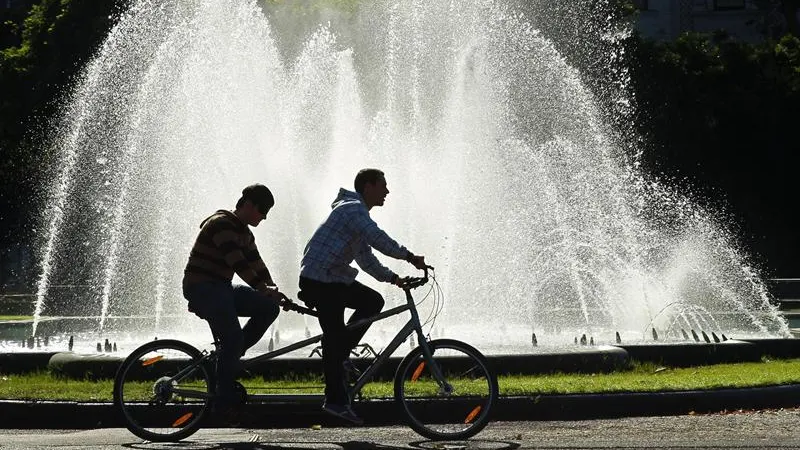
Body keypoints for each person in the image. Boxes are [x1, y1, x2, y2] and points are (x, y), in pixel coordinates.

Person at [299, 168, 427, 424]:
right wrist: (409, 257)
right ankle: (335, 401)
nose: (387, 191)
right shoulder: (352, 209)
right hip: (320, 281)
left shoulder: (354, 212)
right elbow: (377, 238)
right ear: (368, 187)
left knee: (373, 301)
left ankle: (341, 354)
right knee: (334, 340)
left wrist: (393, 278)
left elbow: (366, 258)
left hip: (330, 278)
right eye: (383, 186)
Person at [182, 183, 286, 416]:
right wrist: (261, 287)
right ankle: (223, 397)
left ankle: (229, 359)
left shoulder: (244, 233)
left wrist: (272, 290)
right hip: (203, 287)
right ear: (248, 205)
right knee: (232, 338)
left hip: (221, 288)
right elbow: (237, 263)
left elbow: (256, 264)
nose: (264, 217)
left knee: (268, 308)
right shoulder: (221, 224)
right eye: (262, 211)